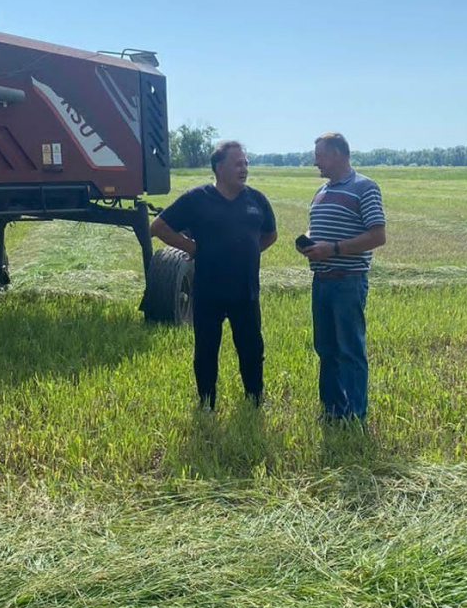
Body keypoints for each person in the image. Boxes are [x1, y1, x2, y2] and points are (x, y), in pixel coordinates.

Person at [150, 141, 277, 409]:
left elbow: (270, 235)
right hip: (208, 290)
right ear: (219, 168)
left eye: (246, 163)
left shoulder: (257, 200)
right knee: (206, 351)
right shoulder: (197, 199)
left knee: (252, 349)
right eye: (238, 163)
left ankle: (255, 400)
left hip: (246, 290)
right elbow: (158, 226)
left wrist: (249, 252)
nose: (244, 168)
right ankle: (206, 403)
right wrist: (191, 247)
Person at [297, 132, 386, 422]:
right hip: (321, 282)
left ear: (337, 154)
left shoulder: (365, 187)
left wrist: (333, 249)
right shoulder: (322, 191)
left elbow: (377, 235)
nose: (315, 162)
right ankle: (332, 410)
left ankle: (355, 415)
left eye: (319, 155)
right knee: (326, 349)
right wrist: (309, 242)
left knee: (350, 350)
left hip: (348, 280)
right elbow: (317, 228)